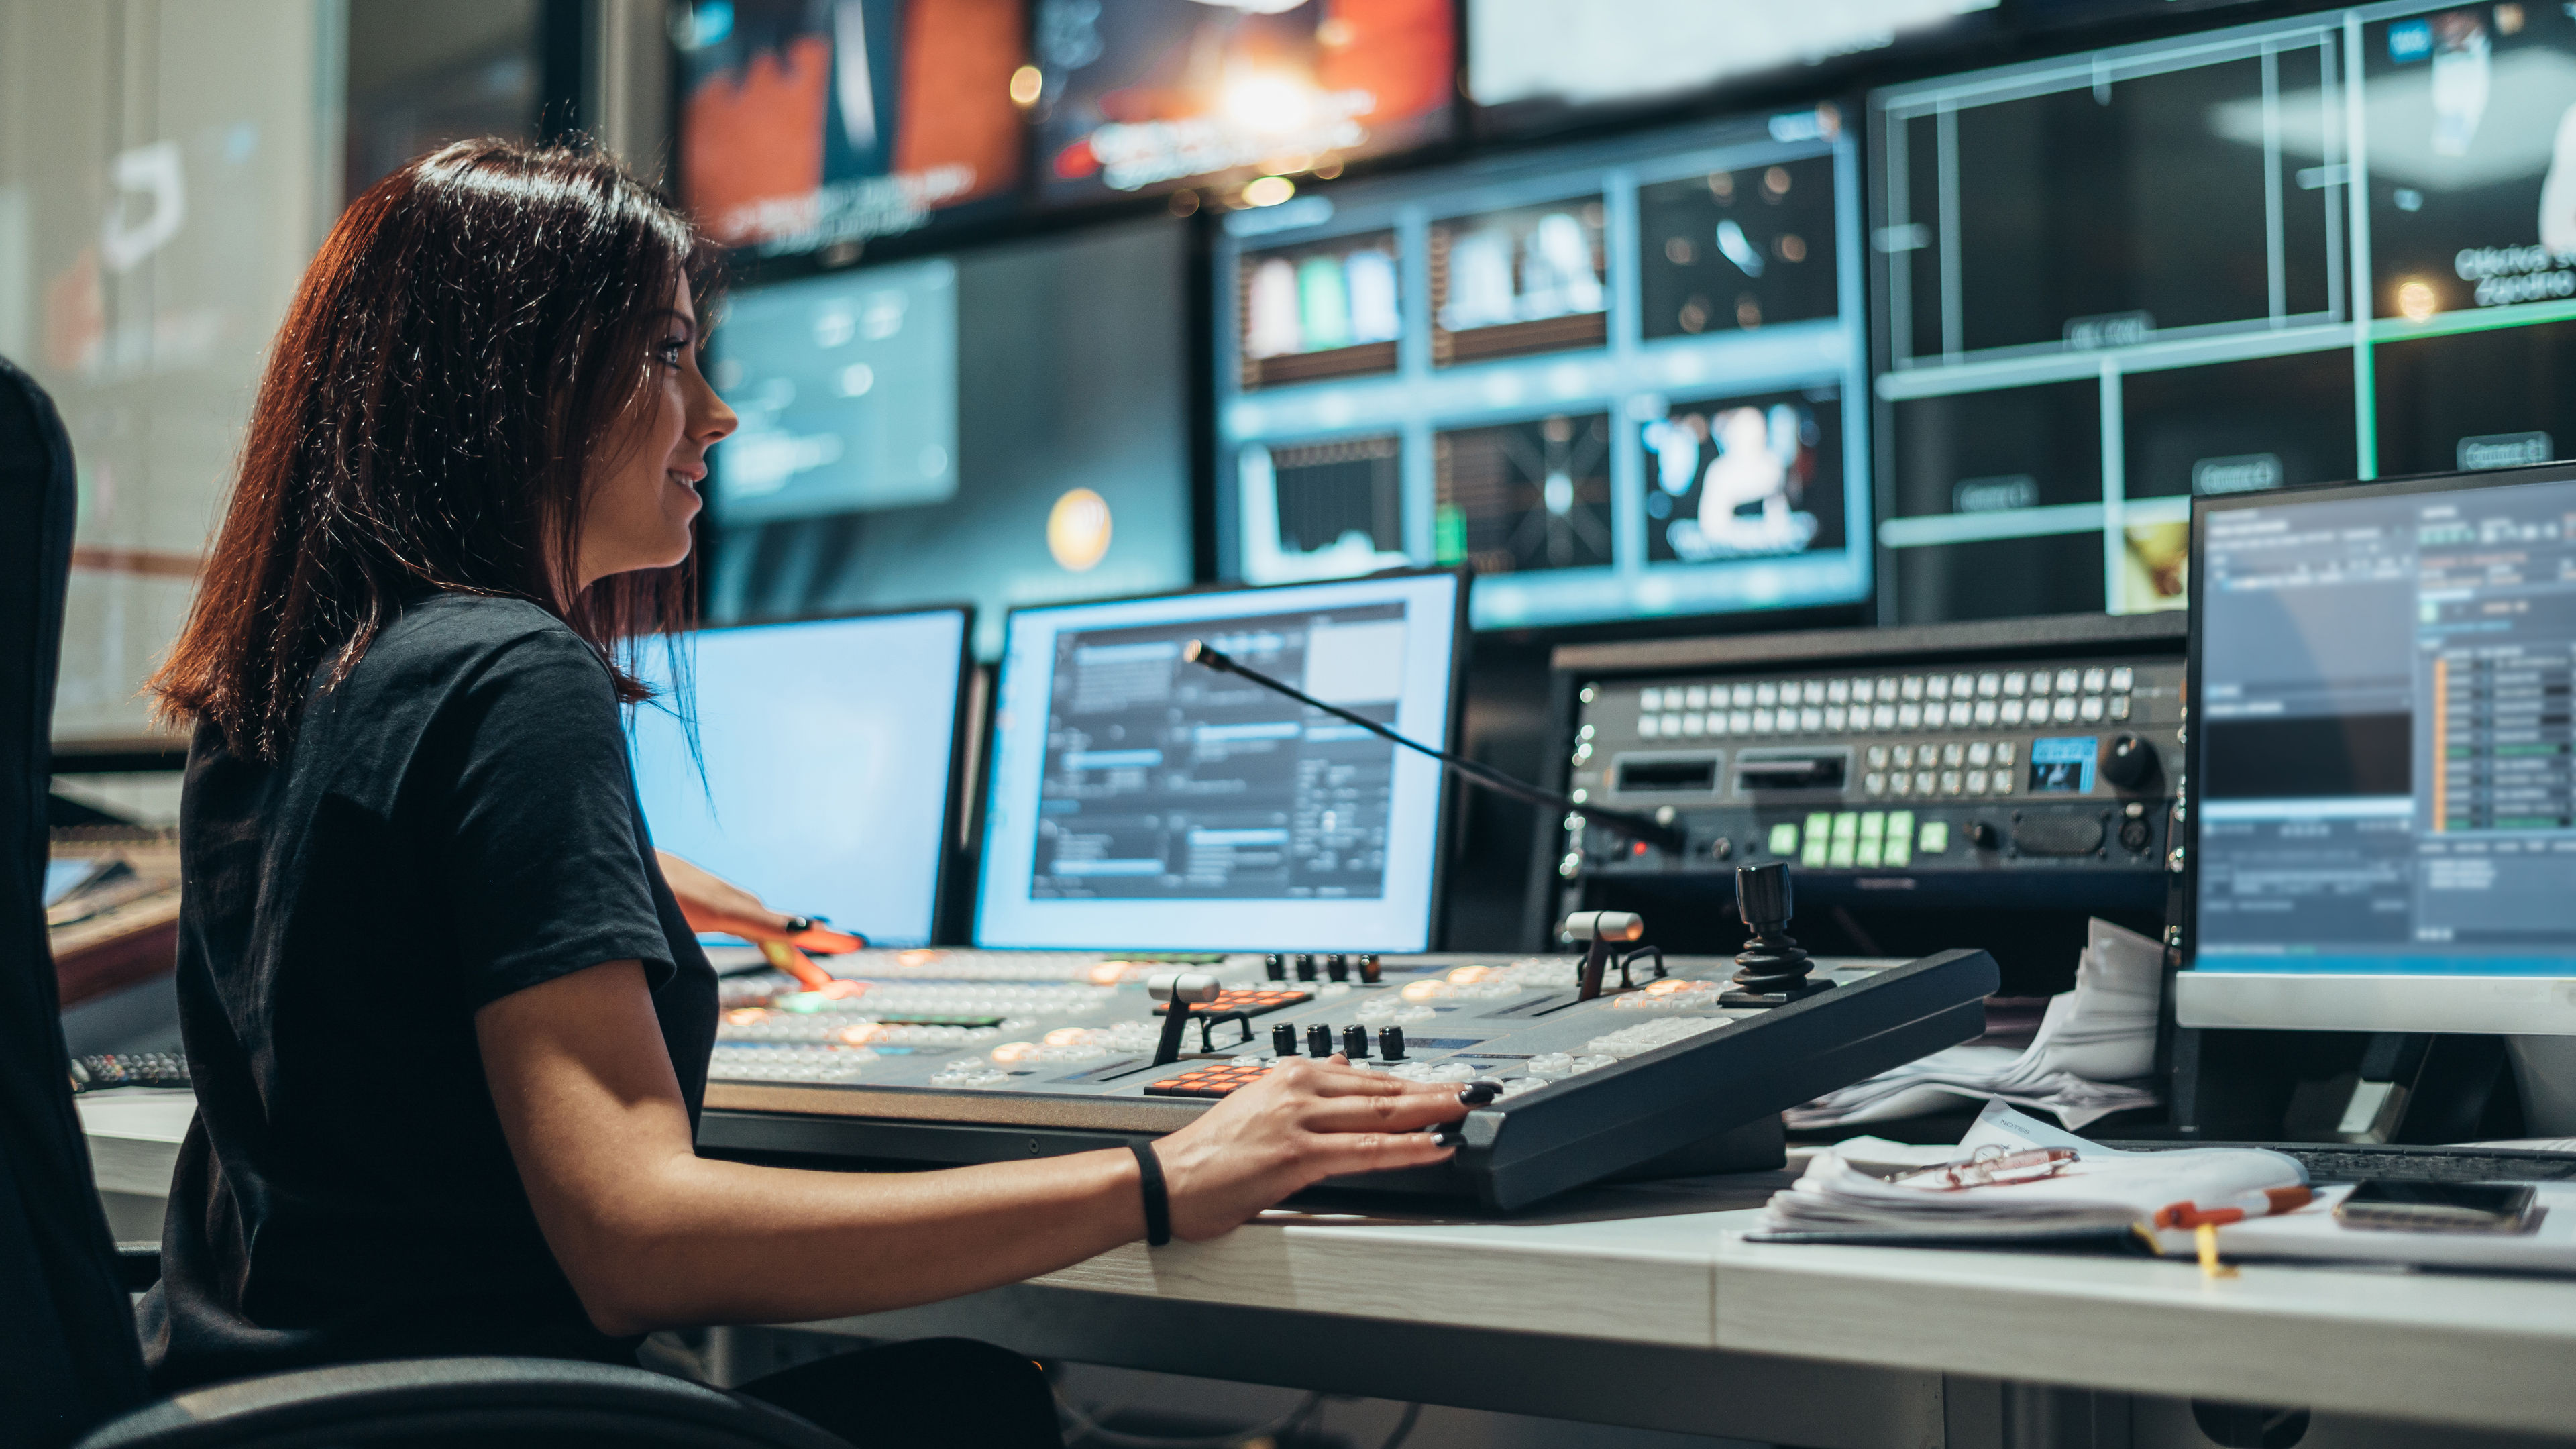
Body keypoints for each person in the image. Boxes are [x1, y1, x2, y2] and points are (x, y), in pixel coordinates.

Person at [139, 140, 1466, 1445]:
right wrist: (1166, 1177)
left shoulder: (283, 678)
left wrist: (612, 891)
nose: (715, 410)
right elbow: (639, 1243)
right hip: (483, 1419)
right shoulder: (512, 675)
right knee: (976, 1403)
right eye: (668, 349)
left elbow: (369, 946)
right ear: (518, 377)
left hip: (256, 1413)